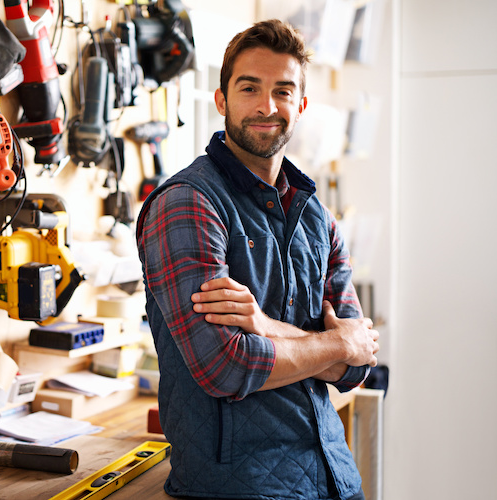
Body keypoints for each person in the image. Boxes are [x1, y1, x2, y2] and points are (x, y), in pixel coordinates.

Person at [135, 19, 379, 500]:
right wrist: (336, 344)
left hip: (335, 477)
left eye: (283, 91)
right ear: (222, 100)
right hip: (236, 487)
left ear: (301, 105)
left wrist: (265, 326)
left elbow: (359, 366)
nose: (267, 106)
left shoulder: (316, 217)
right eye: (250, 88)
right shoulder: (188, 204)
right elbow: (226, 367)